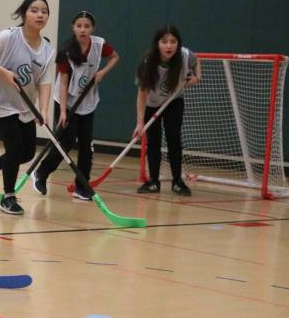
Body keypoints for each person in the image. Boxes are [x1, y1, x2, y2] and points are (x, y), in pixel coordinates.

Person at [0, 0, 55, 216]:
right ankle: (8, 197)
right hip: (1, 102)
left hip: (25, 105)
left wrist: (43, 109)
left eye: (44, 11)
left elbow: (44, 81)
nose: (40, 15)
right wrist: (2, 72)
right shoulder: (8, 37)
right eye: (34, 10)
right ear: (24, 14)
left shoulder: (47, 49)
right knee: (15, 149)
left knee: (27, 153)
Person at [33, 10, 119, 199]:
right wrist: (63, 111)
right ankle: (41, 173)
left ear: (93, 28)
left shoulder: (99, 44)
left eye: (87, 26)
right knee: (66, 142)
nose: (82, 30)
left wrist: (102, 73)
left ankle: (82, 186)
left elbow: (115, 57)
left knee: (87, 146)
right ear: (73, 27)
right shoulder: (65, 51)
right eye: (79, 26)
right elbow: (63, 82)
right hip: (67, 100)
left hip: (88, 101)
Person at [133, 25, 201, 196]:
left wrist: (197, 77)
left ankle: (177, 181)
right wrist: (140, 123)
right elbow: (141, 94)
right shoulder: (148, 62)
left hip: (174, 101)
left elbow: (196, 62)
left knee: (174, 139)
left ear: (178, 43)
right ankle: (153, 182)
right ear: (157, 44)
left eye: (173, 41)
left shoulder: (185, 56)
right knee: (153, 142)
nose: (169, 46)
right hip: (152, 103)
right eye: (164, 42)